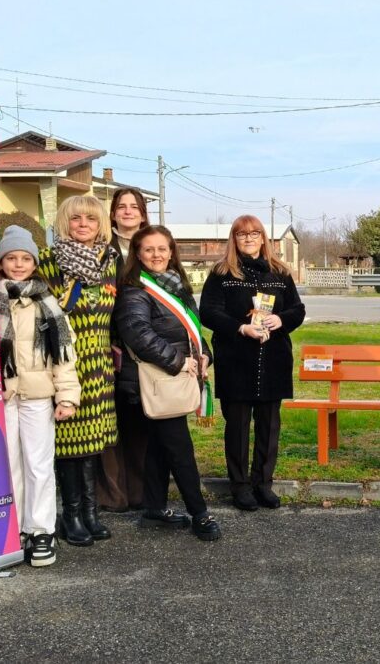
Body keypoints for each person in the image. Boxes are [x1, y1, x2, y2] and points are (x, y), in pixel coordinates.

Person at [115, 225, 221, 540]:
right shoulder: (134, 289)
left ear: (171, 251)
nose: (156, 255)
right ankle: (200, 514)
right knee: (180, 449)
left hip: (174, 378)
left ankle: (154, 509)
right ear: (138, 254)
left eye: (162, 248)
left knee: (160, 446)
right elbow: (138, 333)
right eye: (149, 249)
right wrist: (178, 361)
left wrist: (204, 355)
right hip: (156, 380)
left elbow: (191, 329)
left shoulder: (176, 285)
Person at [200, 215, 305, 511]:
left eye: (254, 233)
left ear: (263, 238)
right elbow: (208, 312)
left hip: (273, 359)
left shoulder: (279, 272)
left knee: (269, 428)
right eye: (242, 234)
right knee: (237, 427)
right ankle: (240, 485)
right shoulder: (222, 273)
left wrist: (281, 319)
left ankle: (263, 483)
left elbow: (298, 309)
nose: (248, 238)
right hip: (236, 360)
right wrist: (240, 327)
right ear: (234, 239)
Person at [0, 225, 81, 567]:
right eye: (11, 258)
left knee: (39, 464)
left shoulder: (47, 304)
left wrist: (67, 397)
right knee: (8, 465)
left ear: (34, 263)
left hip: (37, 397)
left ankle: (41, 530)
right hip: (1, 397)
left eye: (25, 258)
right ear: (1, 261)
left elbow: (64, 356)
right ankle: (13, 529)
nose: (18, 264)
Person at [38, 195, 118, 547]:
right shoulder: (49, 261)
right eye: (75, 218)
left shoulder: (109, 261)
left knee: (91, 444)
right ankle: (69, 515)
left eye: (91, 218)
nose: (83, 224)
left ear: (101, 224)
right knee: (69, 443)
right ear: (64, 223)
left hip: (100, 365)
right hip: (66, 364)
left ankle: (90, 512)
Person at [97, 187, 152, 513]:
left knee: (141, 423)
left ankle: (141, 492)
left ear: (143, 213)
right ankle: (113, 494)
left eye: (134, 206)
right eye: (122, 206)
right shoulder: (103, 249)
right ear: (113, 213)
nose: (128, 211)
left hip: (146, 346)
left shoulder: (154, 244)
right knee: (112, 421)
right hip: (108, 343)